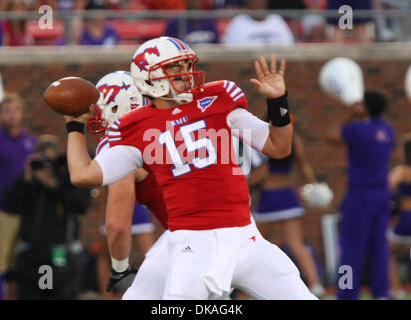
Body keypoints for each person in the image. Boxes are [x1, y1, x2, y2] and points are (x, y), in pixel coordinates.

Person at [64, 36, 316, 300]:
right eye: (176, 68)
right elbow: (83, 175)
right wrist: (74, 126)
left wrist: (278, 103)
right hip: (192, 244)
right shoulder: (133, 127)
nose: (187, 74)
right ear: (150, 77)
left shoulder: (217, 99)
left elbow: (278, 146)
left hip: (246, 237)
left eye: (187, 66)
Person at [87, 71, 160, 296]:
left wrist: (119, 270)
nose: (99, 117)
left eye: (105, 107)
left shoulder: (123, 148)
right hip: (204, 225)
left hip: (188, 230)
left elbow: (118, 227)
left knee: (154, 264)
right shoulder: (158, 129)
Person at [327, 90, 395, 299]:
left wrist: (350, 113)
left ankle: (347, 293)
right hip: (382, 194)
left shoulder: (357, 130)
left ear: (364, 107)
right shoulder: (388, 130)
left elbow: (332, 135)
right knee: (379, 247)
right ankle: (382, 292)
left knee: (350, 247)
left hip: (359, 196)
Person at [5, 135, 91, 299]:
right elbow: (11, 202)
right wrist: (27, 177)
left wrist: (54, 184)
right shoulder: (29, 180)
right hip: (32, 251)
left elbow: (80, 205)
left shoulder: (66, 177)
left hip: (59, 251)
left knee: (58, 292)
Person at [251, 129, 326, 297]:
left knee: (256, 244)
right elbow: (303, 163)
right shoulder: (292, 137)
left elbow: (260, 170)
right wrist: (313, 185)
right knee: (297, 245)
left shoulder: (262, 135)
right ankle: (315, 284)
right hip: (287, 196)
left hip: (269, 197)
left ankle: (257, 285)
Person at [0, 93, 36, 300]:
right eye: (6, 111)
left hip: (23, 212)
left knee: (17, 265)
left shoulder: (28, 140)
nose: (11, 115)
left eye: (15, 110)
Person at [387, 133, 411, 299]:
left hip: (407, 218)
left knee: (386, 251)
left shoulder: (402, 171)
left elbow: (387, 185)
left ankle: (397, 290)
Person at [223, 0, 295, 46]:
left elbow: (289, 46)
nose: (257, 2)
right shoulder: (238, 22)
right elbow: (231, 54)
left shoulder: (276, 19)